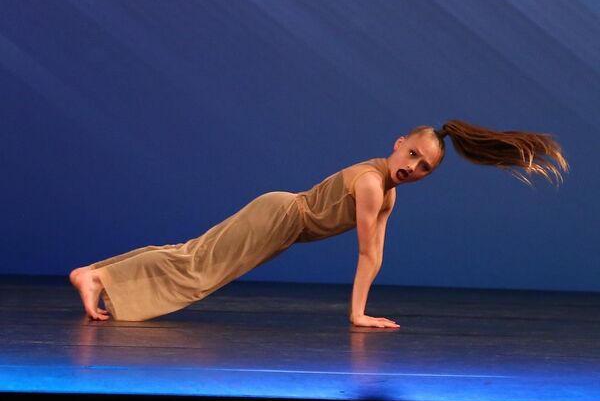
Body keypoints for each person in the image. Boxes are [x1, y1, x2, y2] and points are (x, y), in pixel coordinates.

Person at [70, 120, 568, 327]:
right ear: (398, 143)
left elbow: (376, 254)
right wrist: (357, 315)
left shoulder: (387, 191)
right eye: (412, 154)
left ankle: (96, 274)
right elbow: (366, 253)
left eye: (424, 167)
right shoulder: (371, 184)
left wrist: (360, 312)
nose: (413, 167)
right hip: (279, 215)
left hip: (281, 222)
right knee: (199, 267)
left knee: (193, 256)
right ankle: (97, 277)